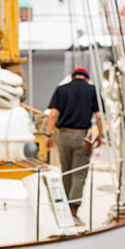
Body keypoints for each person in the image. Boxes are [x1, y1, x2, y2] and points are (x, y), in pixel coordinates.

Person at [45, 67, 103, 221]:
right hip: (81, 137)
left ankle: (63, 206)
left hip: (63, 136)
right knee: (79, 174)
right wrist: (101, 135)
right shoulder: (91, 90)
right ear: (87, 78)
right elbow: (98, 116)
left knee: (66, 171)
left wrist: (48, 135)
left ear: (72, 77)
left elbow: (53, 114)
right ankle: (73, 210)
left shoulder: (61, 89)